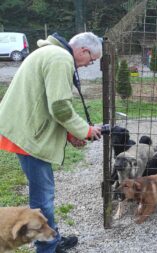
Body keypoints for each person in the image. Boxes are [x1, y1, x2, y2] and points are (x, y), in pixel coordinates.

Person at [0, 32, 103, 253]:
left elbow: (47, 102)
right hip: (30, 137)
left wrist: (69, 134)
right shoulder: (60, 58)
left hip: (25, 130)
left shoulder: (51, 53)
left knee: (42, 192)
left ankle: (50, 238)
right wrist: (85, 130)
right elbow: (60, 107)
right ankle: (48, 247)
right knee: (43, 196)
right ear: (83, 51)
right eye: (91, 60)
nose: (88, 65)